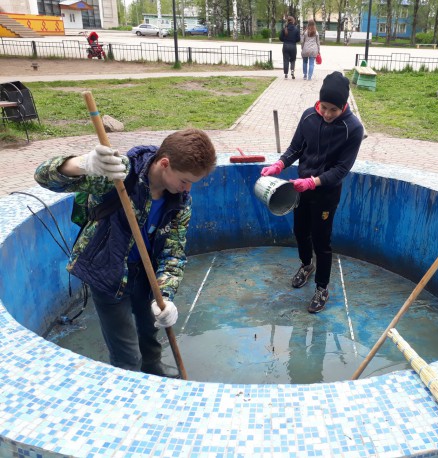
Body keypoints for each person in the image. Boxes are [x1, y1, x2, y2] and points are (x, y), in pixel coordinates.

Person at [34, 129, 217, 377]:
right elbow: (44, 177)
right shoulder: (118, 175)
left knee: (150, 334)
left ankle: (154, 371)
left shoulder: (180, 201)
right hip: (107, 272)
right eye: (185, 180)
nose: (187, 188)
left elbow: (173, 251)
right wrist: (80, 164)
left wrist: (166, 294)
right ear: (165, 164)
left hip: (147, 275)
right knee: (127, 354)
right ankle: (130, 390)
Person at [260, 72, 364, 313]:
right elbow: (296, 148)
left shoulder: (353, 129)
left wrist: (313, 181)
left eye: (333, 110)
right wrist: (279, 164)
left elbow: (341, 170)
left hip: (325, 193)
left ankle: (322, 288)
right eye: (323, 107)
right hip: (301, 189)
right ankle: (306, 265)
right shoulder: (309, 116)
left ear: (344, 106)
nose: (326, 114)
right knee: (300, 231)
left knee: (322, 240)